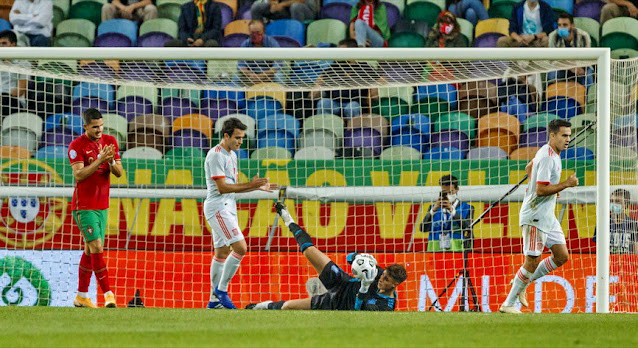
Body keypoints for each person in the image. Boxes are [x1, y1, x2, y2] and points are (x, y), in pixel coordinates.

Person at [246, 202, 408, 311]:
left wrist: (365, 286)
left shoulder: (387, 305)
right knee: (309, 250)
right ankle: (287, 218)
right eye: (383, 275)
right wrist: (361, 257)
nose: (381, 279)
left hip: (337, 304)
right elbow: (350, 258)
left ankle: (255, 308)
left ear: (395, 284)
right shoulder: (377, 272)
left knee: (288, 306)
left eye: (386, 279)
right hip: (342, 282)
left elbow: (358, 310)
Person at [500, 119, 579, 314]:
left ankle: (521, 281)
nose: (568, 139)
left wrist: (552, 189)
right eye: (564, 135)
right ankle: (508, 304)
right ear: (552, 135)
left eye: (569, 135)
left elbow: (529, 169)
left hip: (547, 215)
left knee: (561, 256)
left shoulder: (549, 151)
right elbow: (542, 190)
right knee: (532, 261)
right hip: (535, 215)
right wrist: (565, 185)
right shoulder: (548, 158)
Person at [205, 117, 278, 309]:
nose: (240, 141)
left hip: (229, 206)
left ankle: (213, 302)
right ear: (226, 135)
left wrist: (255, 188)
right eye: (237, 137)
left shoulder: (233, 155)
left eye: (242, 138)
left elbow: (233, 187)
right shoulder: (215, 155)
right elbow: (222, 188)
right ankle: (221, 290)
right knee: (241, 248)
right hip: (218, 207)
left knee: (221, 253)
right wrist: (250, 185)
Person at [68, 108, 124, 308]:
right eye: (95, 127)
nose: (99, 130)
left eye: (101, 126)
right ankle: (108, 294)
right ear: (85, 127)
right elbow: (79, 175)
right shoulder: (76, 146)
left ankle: (81, 297)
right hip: (84, 206)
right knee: (97, 247)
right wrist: (100, 159)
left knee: (90, 250)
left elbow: (119, 173)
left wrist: (109, 160)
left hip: (102, 206)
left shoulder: (110, 141)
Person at [311, 38, 379, 118]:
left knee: (353, 107)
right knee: (323, 103)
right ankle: (322, 128)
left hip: (354, 103)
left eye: (341, 51)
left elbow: (377, 85)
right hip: (334, 103)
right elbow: (317, 85)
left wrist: (373, 91)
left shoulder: (365, 68)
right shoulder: (334, 67)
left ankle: (353, 130)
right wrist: (315, 89)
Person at [420, 174, 474, 251]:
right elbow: (423, 229)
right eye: (445, 193)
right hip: (435, 251)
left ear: (457, 189)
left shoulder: (467, 208)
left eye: (451, 192)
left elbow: (467, 228)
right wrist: (433, 210)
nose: (448, 195)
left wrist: (452, 210)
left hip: (457, 251)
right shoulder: (433, 208)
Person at [548, 13, 593, 88]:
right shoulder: (553, 36)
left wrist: (576, 66)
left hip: (580, 66)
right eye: (559, 25)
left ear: (572, 25)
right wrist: (570, 67)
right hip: (560, 66)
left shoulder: (584, 36)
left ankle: (588, 99)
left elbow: (587, 58)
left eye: (565, 25)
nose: (561, 28)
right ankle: (552, 98)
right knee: (553, 74)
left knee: (588, 76)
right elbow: (552, 59)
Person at [234, 20, 283, 85]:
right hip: (251, 75)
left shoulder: (272, 43)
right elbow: (241, 66)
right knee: (236, 77)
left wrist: (261, 76)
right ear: (249, 32)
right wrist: (251, 75)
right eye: (252, 33)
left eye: (258, 32)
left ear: (263, 31)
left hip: (268, 74)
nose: (255, 35)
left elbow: (276, 66)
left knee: (279, 77)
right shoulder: (245, 44)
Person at [593, 189, 638, 254]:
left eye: (618, 201)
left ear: (626, 205)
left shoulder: (634, 225)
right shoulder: (601, 224)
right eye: (611, 201)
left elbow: (636, 252)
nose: (614, 204)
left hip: (626, 262)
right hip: (607, 262)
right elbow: (598, 251)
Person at [0, 30, 30, 118]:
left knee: (5, 100)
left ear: (13, 44)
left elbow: (20, 90)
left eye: (4, 43)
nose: (1, 46)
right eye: (0, 44)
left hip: (13, 101)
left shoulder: (23, 63)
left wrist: (2, 98)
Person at [250, 0, 318, 23]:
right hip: (287, 11)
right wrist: (273, 3)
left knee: (295, 7)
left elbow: (301, 0)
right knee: (257, 6)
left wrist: (282, 4)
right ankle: (260, 36)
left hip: (306, 10)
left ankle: (297, 37)